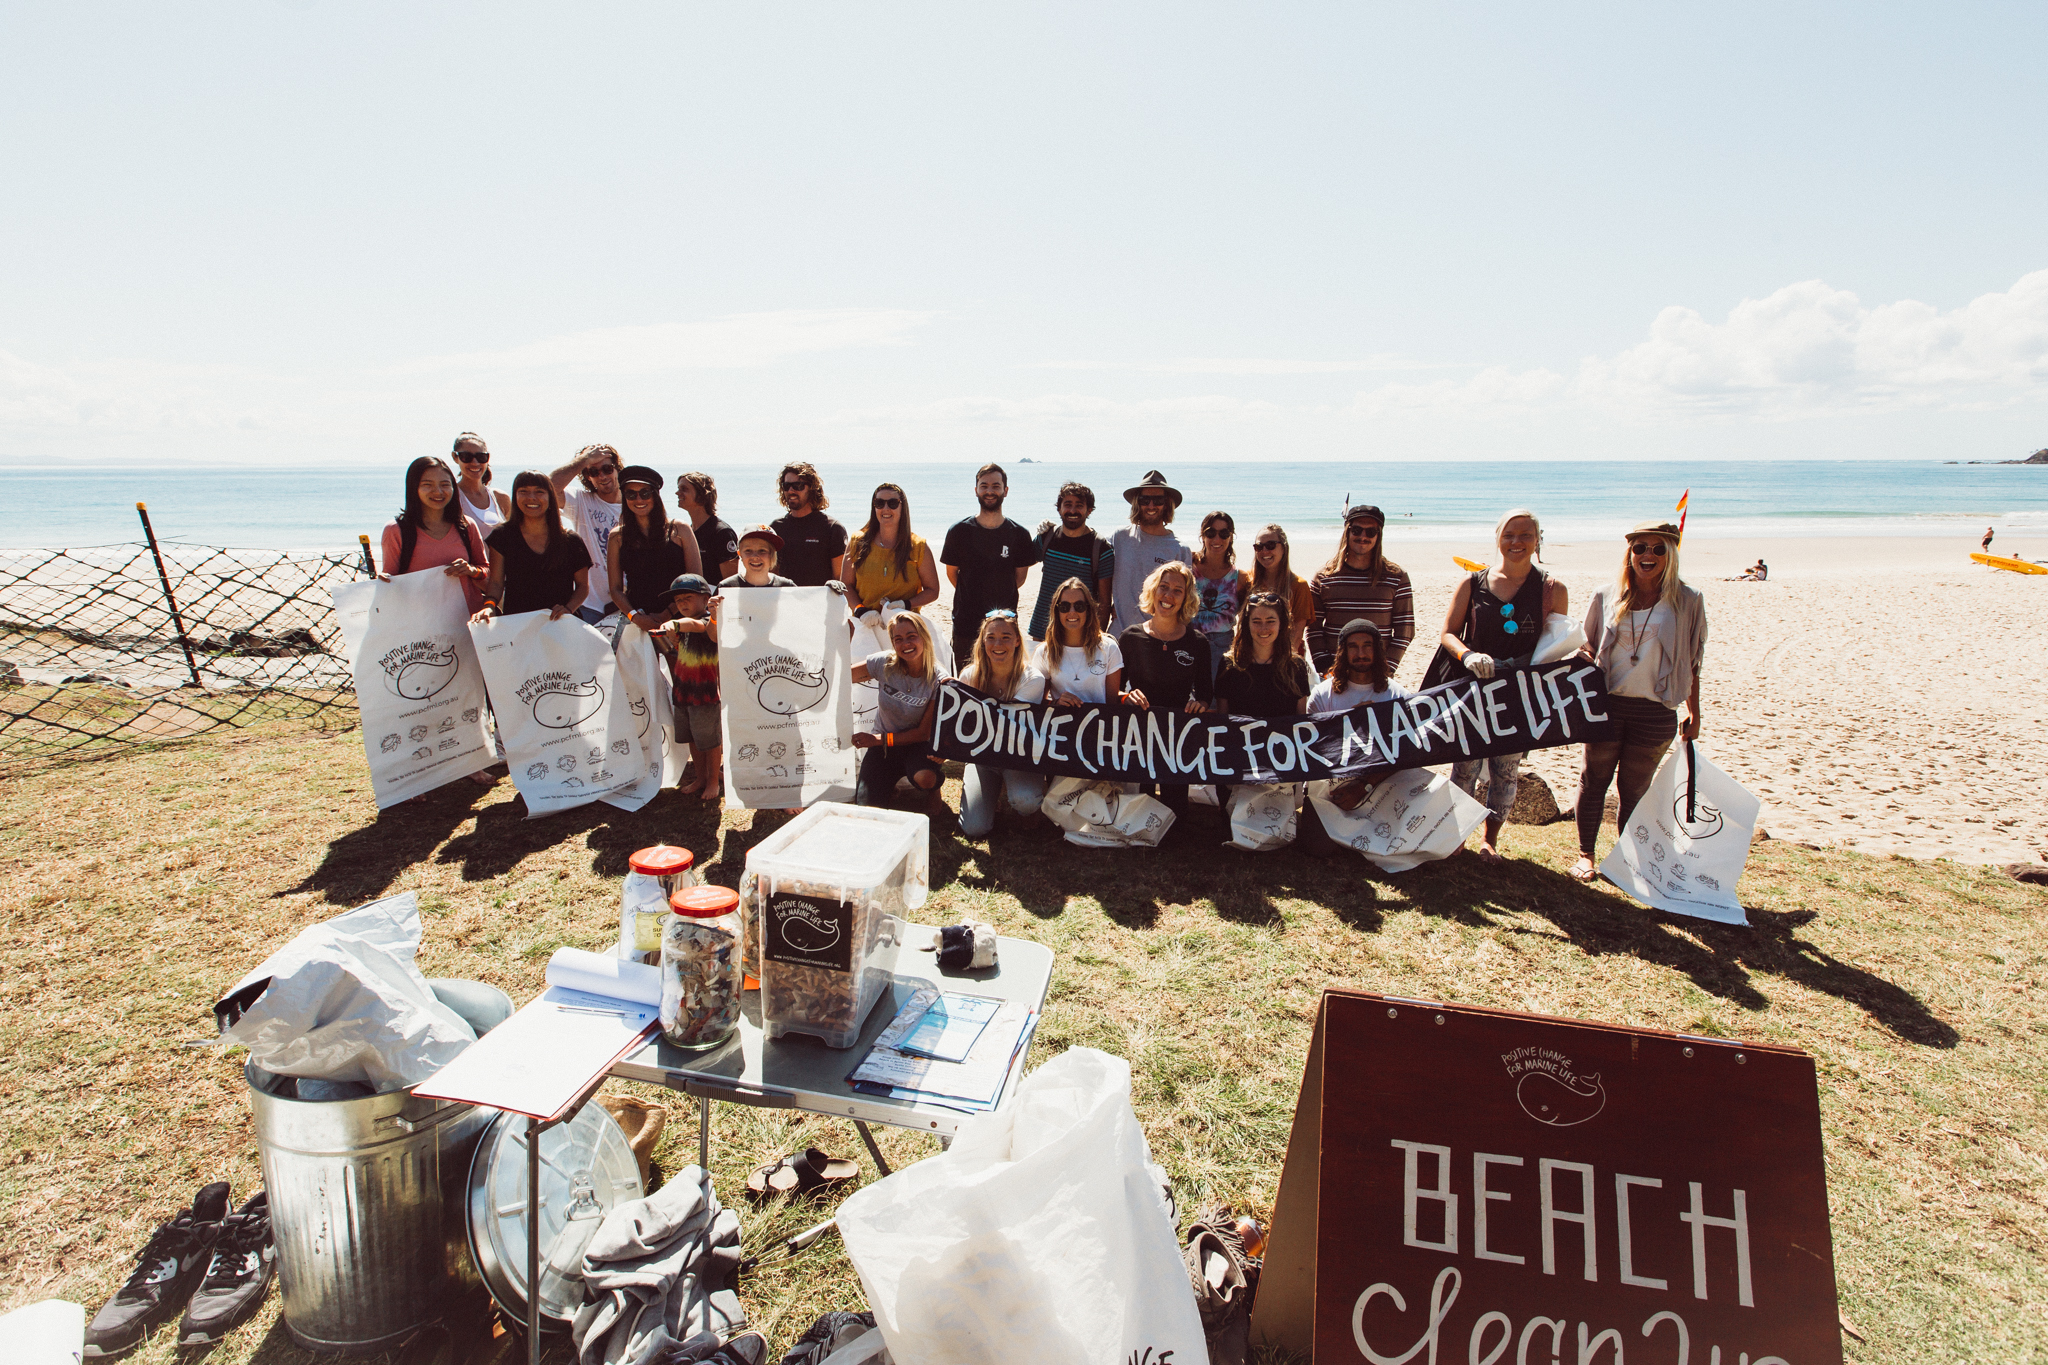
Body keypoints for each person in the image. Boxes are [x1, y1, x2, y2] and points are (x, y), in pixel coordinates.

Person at [1568, 520, 1707, 884]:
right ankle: (1586, 855)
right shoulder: (1605, 595)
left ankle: (1627, 859)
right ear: (1629, 553)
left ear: (1671, 555)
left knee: (1634, 788)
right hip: (1606, 704)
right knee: (1593, 779)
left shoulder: (1688, 600)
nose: (1648, 555)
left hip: (1656, 709)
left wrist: (1694, 712)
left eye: (1658, 549)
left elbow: (1692, 660)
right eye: (1640, 547)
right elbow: (1586, 645)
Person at [1433, 508, 1568, 863]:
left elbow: (1559, 643)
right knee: (1465, 768)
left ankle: (1490, 839)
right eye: (1509, 535)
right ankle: (1457, 834)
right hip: (1474, 689)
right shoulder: (1472, 582)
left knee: (1505, 771)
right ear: (1497, 539)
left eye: (1525, 535)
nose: (1516, 542)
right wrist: (1467, 656)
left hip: (1519, 695)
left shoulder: (1552, 589)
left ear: (1538, 540)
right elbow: (1448, 633)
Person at [1296, 619, 1405, 854]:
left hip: (1379, 783)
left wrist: (1364, 786)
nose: (1361, 653)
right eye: (1353, 647)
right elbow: (1312, 749)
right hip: (1333, 784)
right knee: (1317, 848)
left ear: (1378, 650)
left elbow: (1404, 752)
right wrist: (1348, 723)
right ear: (1343, 652)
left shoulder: (1396, 695)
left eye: (1367, 646)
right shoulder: (1323, 695)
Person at [1117, 561, 1212, 825]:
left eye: (1177, 590)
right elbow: (1113, 692)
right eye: (1163, 587)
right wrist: (1126, 697)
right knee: (1138, 815)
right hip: (1139, 736)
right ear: (1153, 591)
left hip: (1176, 740)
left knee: (1177, 820)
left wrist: (1200, 705)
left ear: (1187, 598)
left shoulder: (1197, 643)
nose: (1168, 596)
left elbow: (1206, 694)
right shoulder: (1130, 637)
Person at [956, 610, 1049, 838]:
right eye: (991, 637)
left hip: (1018, 757)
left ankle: (1013, 792)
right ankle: (990, 794)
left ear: (1017, 640)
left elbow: (1005, 724)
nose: (998, 644)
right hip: (982, 758)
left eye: (1006, 637)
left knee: (1026, 802)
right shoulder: (969, 675)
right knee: (973, 828)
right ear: (982, 641)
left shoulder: (1032, 678)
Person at [941, 463, 1037, 666]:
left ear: (1005, 490)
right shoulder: (959, 531)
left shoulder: (1019, 534)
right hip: (966, 624)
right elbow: (952, 575)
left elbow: (1018, 579)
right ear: (976, 490)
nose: (990, 491)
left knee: (1002, 683)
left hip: (1004, 627)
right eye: (984, 486)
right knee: (965, 685)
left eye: (996, 485)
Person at [850, 610, 948, 807]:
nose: (906, 644)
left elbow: (922, 734)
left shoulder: (939, 679)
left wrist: (875, 739)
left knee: (925, 779)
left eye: (911, 637)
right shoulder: (884, 662)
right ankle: (885, 784)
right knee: (867, 807)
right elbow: (843, 677)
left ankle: (934, 787)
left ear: (924, 637)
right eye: (898, 639)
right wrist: (845, 639)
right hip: (883, 748)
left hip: (917, 746)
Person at [1307, 503, 1414, 676]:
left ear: (1378, 536)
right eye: (1357, 530)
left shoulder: (1396, 577)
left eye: (1371, 532)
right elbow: (1313, 628)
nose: (1363, 536)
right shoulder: (1324, 576)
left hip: (1378, 676)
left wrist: (1386, 669)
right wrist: (1326, 669)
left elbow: (1405, 631)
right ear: (1347, 532)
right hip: (1335, 675)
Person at [473, 472, 592, 623]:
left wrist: (568, 609)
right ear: (515, 496)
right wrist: (489, 607)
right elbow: (496, 583)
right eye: (523, 491)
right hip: (518, 625)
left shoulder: (571, 540)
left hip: (561, 624)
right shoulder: (502, 536)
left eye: (539, 492)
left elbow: (582, 587)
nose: (532, 497)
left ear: (550, 497)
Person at [379, 456, 491, 613]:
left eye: (445, 484)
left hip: (468, 621)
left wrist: (471, 570)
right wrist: (384, 579)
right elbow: (391, 579)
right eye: (427, 485)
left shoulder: (466, 526)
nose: (438, 492)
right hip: (423, 622)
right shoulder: (396, 530)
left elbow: (485, 571)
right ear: (413, 488)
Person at [606, 467, 703, 635]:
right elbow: (615, 589)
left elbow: (696, 581)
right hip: (636, 621)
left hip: (680, 619)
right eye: (631, 494)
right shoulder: (617, 537)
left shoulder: (680, 529)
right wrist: (635, 616)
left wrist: (667, 614)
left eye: (645, 493)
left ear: (655, 495)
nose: (638, 499)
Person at [546, 444, 630, 623]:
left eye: (607, 469)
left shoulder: (635, 503)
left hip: (631, 601)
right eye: (594, 471)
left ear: (617, 469)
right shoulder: (580, 501)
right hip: (591, 605)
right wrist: (583, 460)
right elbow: (548, 487)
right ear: (587, 476)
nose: (602, 476)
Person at [656, 573, 722, 800]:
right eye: (678, 600)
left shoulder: (708, 620)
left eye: (688, 597)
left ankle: (714, 781)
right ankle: (701, 777)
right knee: (693, 738)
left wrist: (672, 623)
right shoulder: (680, 629)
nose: (682, 603)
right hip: (683, 692)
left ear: (706, 599)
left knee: (711, 742)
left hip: (706, 694)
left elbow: (695, 625)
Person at [1108, 470, 1193, 636]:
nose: (1151, 506)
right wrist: (1053, 532)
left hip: (1156, 638)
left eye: (1158, 500)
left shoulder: (1179, 550)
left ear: (1167, 504)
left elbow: (1185, 603)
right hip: (1118, 636)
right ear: (1137, 503)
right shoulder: (1119, 538)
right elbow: (1086, 549)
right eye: (1145, 500)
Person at [1027, 481, 1115, 639]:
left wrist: (1098, 637)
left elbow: (1104, 601)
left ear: (1089, 511)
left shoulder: (1101, 549)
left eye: (1079, 505)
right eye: (1067, 504)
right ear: (1059, 509)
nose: (1072, 510)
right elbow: (1019, 563)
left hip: (1080, 635)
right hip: (1043, 630)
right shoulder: (1046, 537)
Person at [845, 483, 940, 614]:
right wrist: (860, 610)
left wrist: (906, 604)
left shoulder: (918, 546)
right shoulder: (857, 542)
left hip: (904, 628)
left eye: (893, 503)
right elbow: (846, 585)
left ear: (903, 507)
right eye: (879, 503)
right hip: (865, 624)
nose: (886, 508)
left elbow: (933, 590)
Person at [1030, 578, 1123, 706]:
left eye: (1079, 606)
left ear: (1088, 609)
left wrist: (1127, 697)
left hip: (1099, 724)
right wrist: (1056, 703)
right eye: (1064, 607)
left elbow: (1113, 703)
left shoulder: (1109, 648)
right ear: (1057, 611)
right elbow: (1037, 703)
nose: (1072, 612)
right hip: (1060, 723)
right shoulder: (1044, 652)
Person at [1190, 511, 1249, 682]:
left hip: (1223, 645)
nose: (1217, 539)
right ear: (1203, 536)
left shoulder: (1240, 578)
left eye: (1224, 534)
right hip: (1189, 641)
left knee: (1217, 699)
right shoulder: (1189, 567)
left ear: (1231, 537)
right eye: (1210, 533)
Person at [770, 462, 847, 587]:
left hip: (820, 601)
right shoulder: (776, 527)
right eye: (786, 486)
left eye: (798, 486)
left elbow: (840, 578)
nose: (791, 490)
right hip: (786, 601)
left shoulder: (832, 528)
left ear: (811, 488)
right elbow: (771, 575)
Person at [1248, 524, 1313, 659]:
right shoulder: (1249, 582)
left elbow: (1297, 633)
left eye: (1271, 545)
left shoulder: (1298, 586)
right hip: (1253, 658)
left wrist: (1280, 664)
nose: (1264, 551)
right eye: (1259, 547)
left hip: (1286, 659)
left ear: (1283, 548)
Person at [676, 471, 739, 581]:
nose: (677, 493)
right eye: (679, 488)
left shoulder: (722, 533)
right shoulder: (688, 532)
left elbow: (730, 582)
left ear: (701, 495)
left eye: (684, 489)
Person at [451, 432, 510, 531]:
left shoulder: (500, 498)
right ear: (455, 457)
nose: (475, 462)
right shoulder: (452, 498)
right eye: (466, 456)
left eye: (481, 457)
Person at [721, 526, 796, 589]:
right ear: (739, 553)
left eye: (762, 550)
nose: (755, 556)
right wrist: (712, 606)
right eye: (748, 550)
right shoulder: (726, 587)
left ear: (772, 554)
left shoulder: (787, 587)